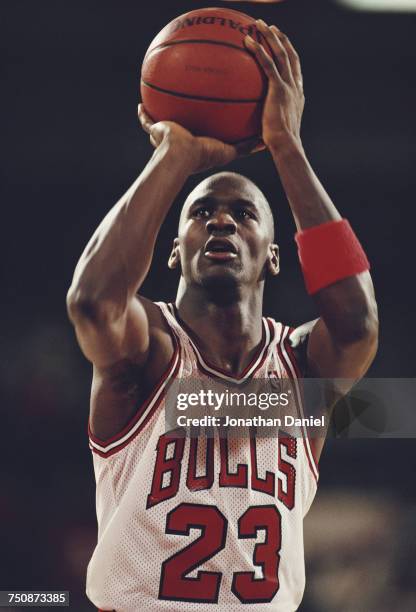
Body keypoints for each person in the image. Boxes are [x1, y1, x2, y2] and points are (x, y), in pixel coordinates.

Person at [67, 20, 378, 612]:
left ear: (276, 257)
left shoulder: (300, 364)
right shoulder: (148, 347)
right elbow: (91, 302)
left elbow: (359, 327)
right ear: (175, 250)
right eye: (203, 211)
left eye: (244, 213)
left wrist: (287, 146)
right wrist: (174, 158)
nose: (222, 221)